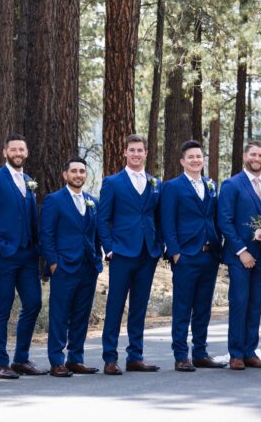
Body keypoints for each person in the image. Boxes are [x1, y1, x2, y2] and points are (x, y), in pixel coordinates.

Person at [0, 134, 46, 378]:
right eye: (13, 149)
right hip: (4, 254)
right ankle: (1, 363)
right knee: (3, 307)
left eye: (21, 149)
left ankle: (21, 359)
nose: (18, 153)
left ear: (26, 153)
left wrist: (38, 248)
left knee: (34, 303)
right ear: (5, 152)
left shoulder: (28, 181)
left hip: (28, 255)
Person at [98, 134, 164, 374]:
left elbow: (159, 217)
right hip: (122, 252)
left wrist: (159, 245)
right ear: (125, 153)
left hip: (148, 252)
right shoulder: (112, 182)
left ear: (146, 153)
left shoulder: (156, 183)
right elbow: (103, 219)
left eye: (140, 150)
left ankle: (135, 356)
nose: (136, 154)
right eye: (132, 150)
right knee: (115, 305)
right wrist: (109, 248)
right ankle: (110, 358)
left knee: (139, 305)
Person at [160, 140, 226, 372]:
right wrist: (175, 252)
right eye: (191, 157)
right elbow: (167, 222)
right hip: (186, 255)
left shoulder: (211, 185)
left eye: (199, 156)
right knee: (182, 307)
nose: (196, 160)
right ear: (182, 161)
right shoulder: (173, 186)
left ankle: (200, 352)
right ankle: (180, 355)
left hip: (210, 255)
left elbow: (215, 218)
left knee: (203, 307)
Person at [39, 156, 104, 377]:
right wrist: (54, 263)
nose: (78, 175)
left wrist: (97, 259)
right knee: (60, 315)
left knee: (81, 315)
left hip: (88, 267)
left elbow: (94, 233)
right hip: (64, 266)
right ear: (65, 175)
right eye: (74, 171)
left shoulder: (92, 201)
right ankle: (57, 361)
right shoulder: (54, 200)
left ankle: (76, 359)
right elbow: (46, 234)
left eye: (82, 171)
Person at [217, 140, 261, 370]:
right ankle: (236, 354)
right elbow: (224, 220)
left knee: (255, 305)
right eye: (253, 154)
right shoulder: (231, 185)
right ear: (245, 156)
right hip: (240, 256)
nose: (257, 159)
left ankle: (251, 351)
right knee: (239, 302)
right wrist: (241, 251)